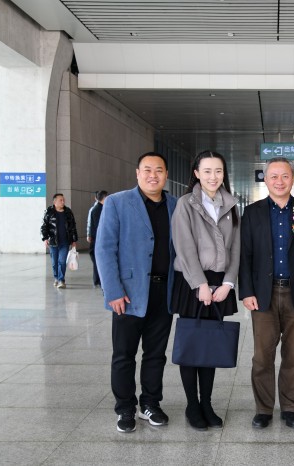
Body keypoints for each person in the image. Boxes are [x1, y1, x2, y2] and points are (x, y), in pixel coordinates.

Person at [96, 152, 177, 433]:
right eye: (147, 170)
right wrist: (113, 291)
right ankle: (125, 407)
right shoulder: (117, 202)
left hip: (164, 292)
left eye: (159, 170)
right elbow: (104, 249)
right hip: (128, 294)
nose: (153, 175)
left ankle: (150, 403)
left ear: (166, 175)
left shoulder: (175, 205)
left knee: (156, 354)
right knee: (124, 354)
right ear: (137, 173)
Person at [239, 157, 294, 430]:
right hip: (264, 293)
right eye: (273, 176)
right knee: (262, 356)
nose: (279, 181)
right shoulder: (253, 212)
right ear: (265, 179)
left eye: (285, 176)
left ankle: (290, 408)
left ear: (292, 179)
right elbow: (245, 254)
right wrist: (246, 291)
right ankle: (263, 409)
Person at [170, 150, 240, 431]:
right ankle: (192, 405)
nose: (213, 176)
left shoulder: (231, 204)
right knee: (192, 344)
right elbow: (184, 247)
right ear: (196, 173)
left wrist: (228, 283)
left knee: (209, 345)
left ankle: (207, 403)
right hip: (192, 282)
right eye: (207, 171)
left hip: (220, 283)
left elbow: (236, 248)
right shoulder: (185, 204)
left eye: (218, 171)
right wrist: (200, 284)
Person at [40, 193, 78, 289]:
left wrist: (74, 240)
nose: (63, 201)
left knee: (62, 261)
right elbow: (44, 226)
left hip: (65, 242)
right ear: (55, 202)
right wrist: (45, 238)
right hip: (53, 242)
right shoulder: (49, 212)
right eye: (61, 200)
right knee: (54, 262)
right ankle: (56, 278)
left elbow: (73, 227)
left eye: (63, 200)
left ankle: (61, 280)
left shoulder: (68, 212)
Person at [87, 190, 108, 287]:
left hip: (96, 239)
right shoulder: (100, 210)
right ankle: (98, 280)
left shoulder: (97, 209)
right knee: (98, 261)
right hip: (99, 239)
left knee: (97, 260)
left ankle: (97, 280)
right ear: (104, 198)